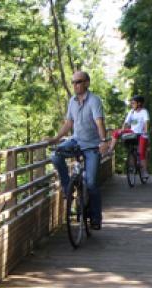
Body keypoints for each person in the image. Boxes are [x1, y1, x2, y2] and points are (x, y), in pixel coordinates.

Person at [47, 71, 108, 230]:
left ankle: (95, 218)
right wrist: (55, 139)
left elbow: (99, 122)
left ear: (87, 83)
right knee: (55, 155)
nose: (75, 85)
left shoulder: (94, 100)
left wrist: (103, 141)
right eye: (73, 82)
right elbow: (68, 124)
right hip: (76, 141)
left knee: (92, 183)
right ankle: (68, 188)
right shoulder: (72, 101)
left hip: (92, 145)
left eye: (78, 82)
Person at [108, 95, 150, 179]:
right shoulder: (132, 111)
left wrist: (145, 131)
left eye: (133, 103)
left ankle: (144, 171)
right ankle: (110, 149)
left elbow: (146, 122)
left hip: (142, 134)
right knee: (116, 132)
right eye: (131, 103)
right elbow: (126, 122)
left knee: (141, 153)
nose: (132, 104)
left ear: (139, 103)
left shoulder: (144, 112)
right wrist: (122, 130)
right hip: (133, 132)